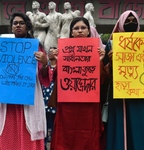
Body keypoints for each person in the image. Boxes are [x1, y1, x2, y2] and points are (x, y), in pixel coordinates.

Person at [0, 12, 51, 150]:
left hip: (29, 99)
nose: (18, 25)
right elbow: (1, 76)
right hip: (7, 101)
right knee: (7, 131)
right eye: (15, 23)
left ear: (27, 26)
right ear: (11, 27)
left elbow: (44, 77)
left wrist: (45, 62)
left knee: (28, 132)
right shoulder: (5, 47)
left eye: (21, 23)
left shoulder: (37, 47)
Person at [50, 17, 106, 150]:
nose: (80, 31)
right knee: (66, 136)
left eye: (83, 28)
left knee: (89, 136)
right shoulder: (64, 51)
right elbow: (56, 78)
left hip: (89, 105)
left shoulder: (97, 51)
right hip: (68, 105)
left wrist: (100, 61)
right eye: (76, 28)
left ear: (88, 31)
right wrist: (58, 61)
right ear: (71, 33)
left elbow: (102, 80)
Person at [104, 10, 144, 150]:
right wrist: (111, 60)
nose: (131, 23)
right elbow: (105, 75)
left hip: (139, 94)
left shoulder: (143, 45)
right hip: (119, 94)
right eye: (127, 21)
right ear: (120, 23)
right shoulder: (111, 45)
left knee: (138, 124)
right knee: (119, 124)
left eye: (134, 21)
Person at [41, 47, 58, 150]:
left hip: (56, 100)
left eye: (54, 51)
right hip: (44, 100)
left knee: (55, 124)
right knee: (44, 125)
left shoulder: (61, 65)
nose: (51, 53)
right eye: (49, 51)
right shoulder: (44, 67)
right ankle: (43, 145)